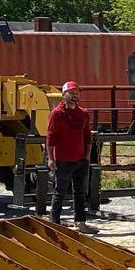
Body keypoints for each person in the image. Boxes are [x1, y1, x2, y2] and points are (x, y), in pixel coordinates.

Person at [46, 81, 97, 229]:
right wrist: (51, 158)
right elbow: (50, 137)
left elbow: (87, 137)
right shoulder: (56, 114)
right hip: (63, 160)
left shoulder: (83, 114)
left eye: (77, 93)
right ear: (64, 94)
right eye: (72, 92)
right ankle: (54, 223)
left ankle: (80, 223)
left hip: (80, 160)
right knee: (60, 192)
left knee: (80, 193)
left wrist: (87, 157)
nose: (75, 95)